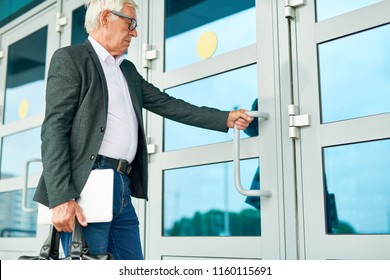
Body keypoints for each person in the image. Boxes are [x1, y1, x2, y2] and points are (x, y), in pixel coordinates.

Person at [33, 0, 253, 260]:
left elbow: (167, 104)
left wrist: (224, 118)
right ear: (106, 18)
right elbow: (54, 128)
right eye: (130, 23)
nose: (134, 33)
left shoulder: (126, 70)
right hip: (87, 185)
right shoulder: (72, 59)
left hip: (121, 184)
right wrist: (60, 198)